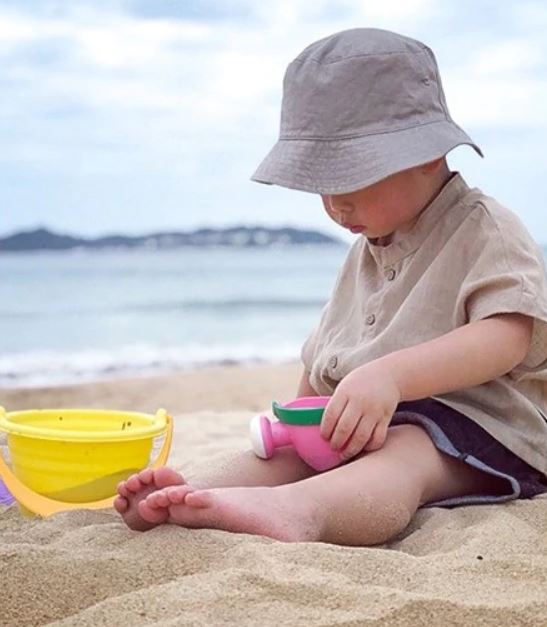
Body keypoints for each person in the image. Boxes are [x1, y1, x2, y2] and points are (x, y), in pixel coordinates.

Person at [114, 28, 547, 546]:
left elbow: (508, 335)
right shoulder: (366, 250)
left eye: (351, 181)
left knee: (407, 451)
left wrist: (390, 377)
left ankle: (301, 511)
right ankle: (191, 491)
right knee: (284, 451)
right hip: (371, 421)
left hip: (485, 431)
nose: (335, 205)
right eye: (322, 185)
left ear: (426, 155)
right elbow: (328, 347)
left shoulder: (484, 228)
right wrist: (301, 422)